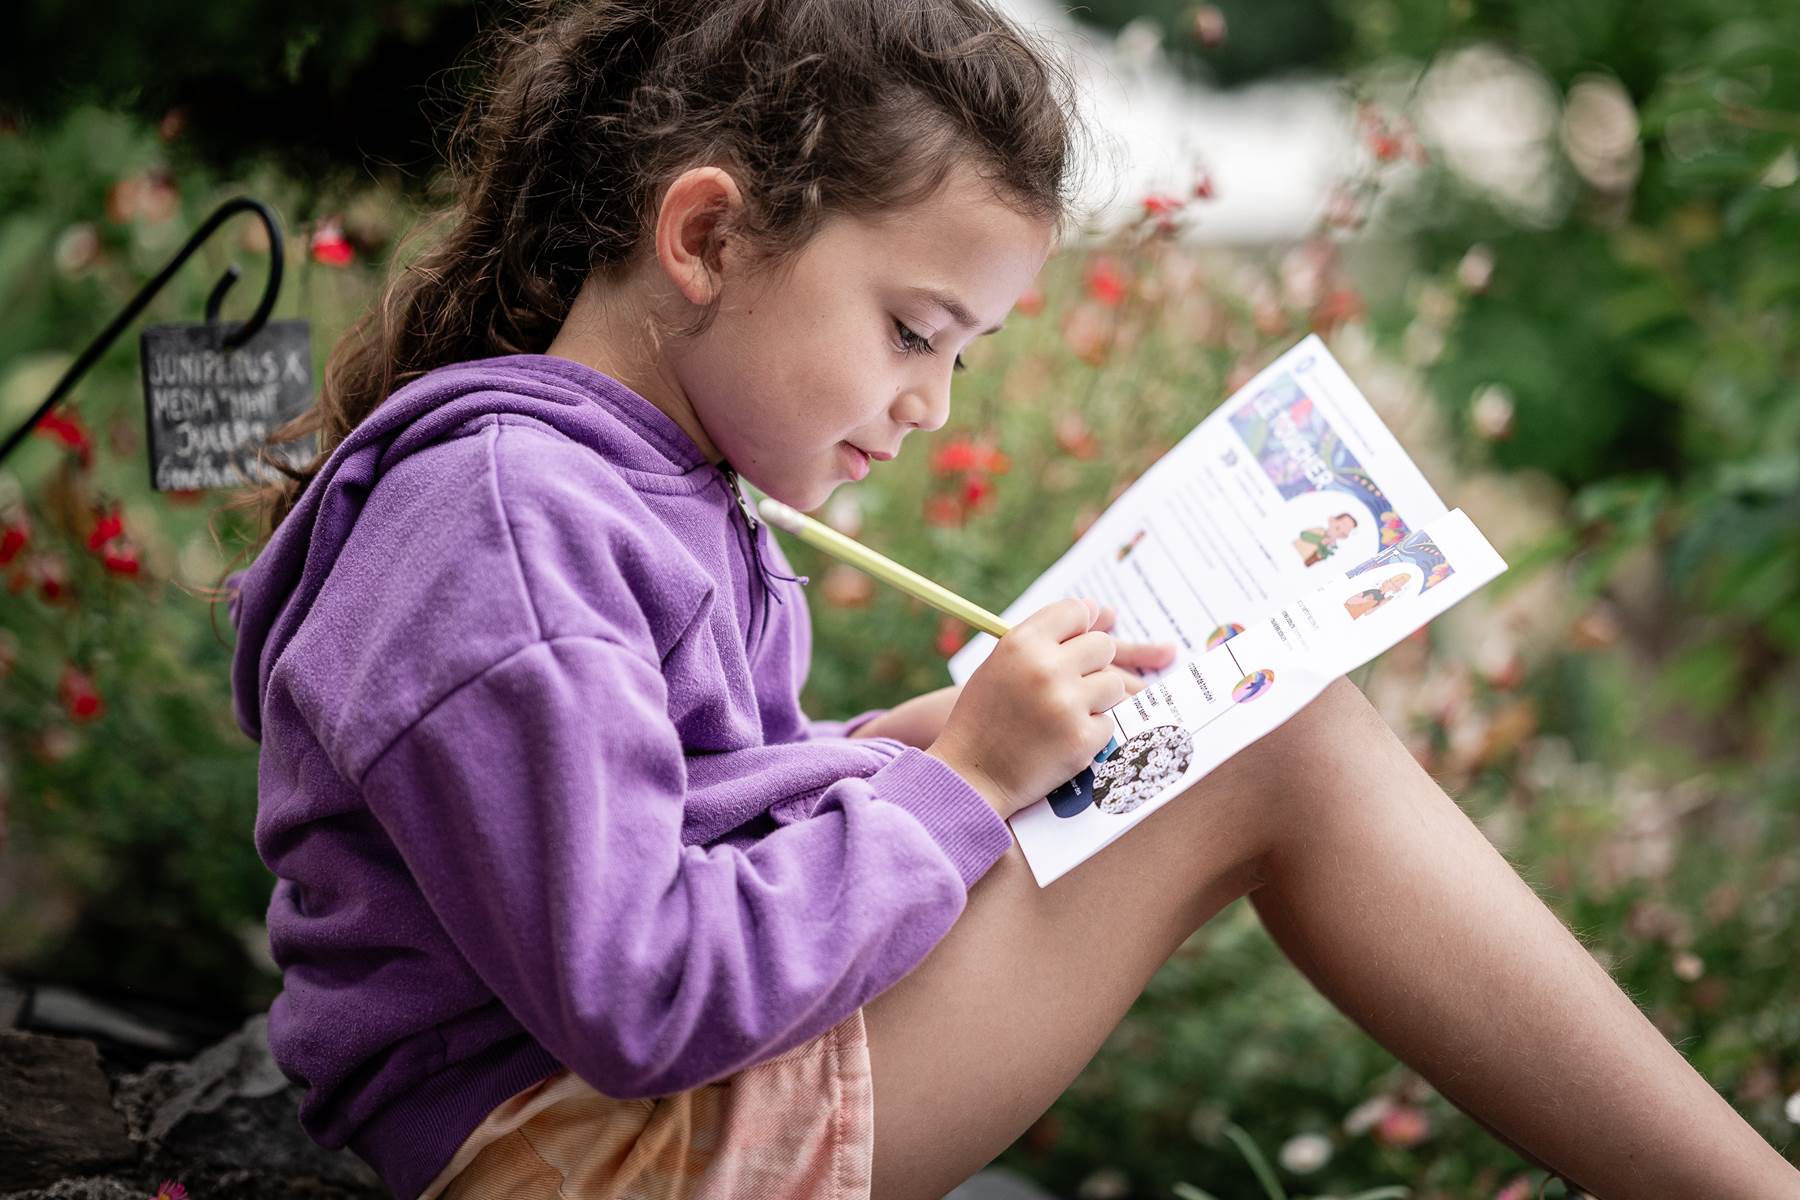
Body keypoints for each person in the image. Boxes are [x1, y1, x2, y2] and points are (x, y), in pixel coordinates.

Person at [218, 2, 1800, 1198]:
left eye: (963, 354)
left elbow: (651, 813)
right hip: (577, 1150)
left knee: (1245, 732)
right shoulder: (513, 520)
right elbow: (647, 987)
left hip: (586, 1112)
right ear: (705, 235)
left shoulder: (615, 485)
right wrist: (960, 786)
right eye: (914, 329)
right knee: (1279, 748)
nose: (934, 405)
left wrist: (884, 753)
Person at [1343, 572, 1411, 619]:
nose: (1393, 587)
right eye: (1393, 583)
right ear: (1386, 581)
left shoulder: (1382, 598)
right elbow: (1349, 601)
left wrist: (1383, 603)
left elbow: (1367, 613)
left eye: (1396, 587)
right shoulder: (1372, 590)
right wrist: (1365, 600)